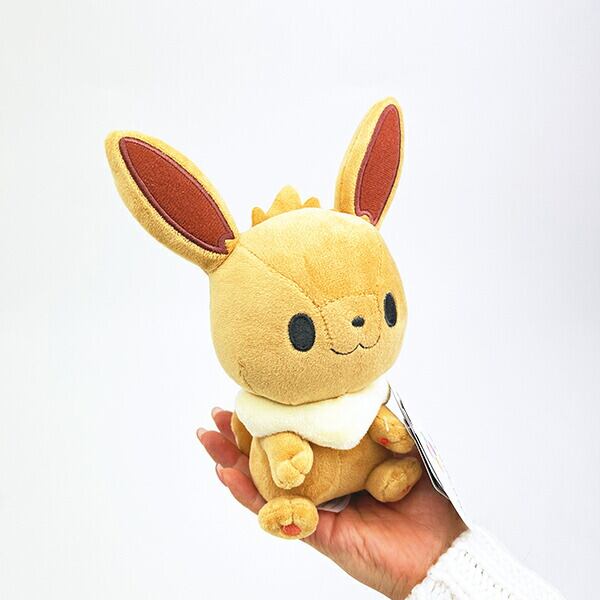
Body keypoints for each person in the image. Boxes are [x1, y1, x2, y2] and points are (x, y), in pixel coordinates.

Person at [198, 408, 564, 600]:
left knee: (384, 453)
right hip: (286, 468)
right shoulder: (266, 408)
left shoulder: (362, 398)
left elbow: (380, 420)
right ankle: (293, 503)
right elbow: (248, 425)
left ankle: (379, 479)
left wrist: (434, 559)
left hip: (368, 470)